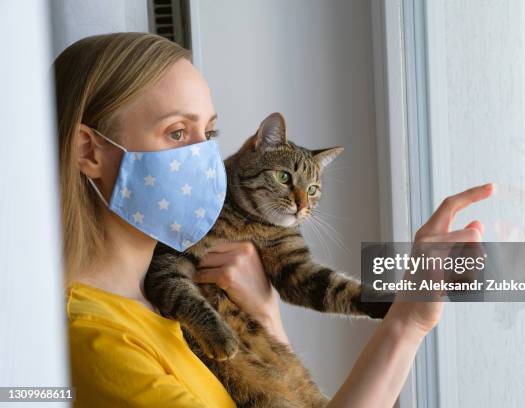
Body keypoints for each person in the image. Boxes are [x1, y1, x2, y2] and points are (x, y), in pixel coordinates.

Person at [57, 32, 494, 407]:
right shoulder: (99, 342)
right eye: (177, 132)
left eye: (209, 134)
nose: (206, 158)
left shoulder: (157, 307)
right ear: (89, 151)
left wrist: (408, 317)